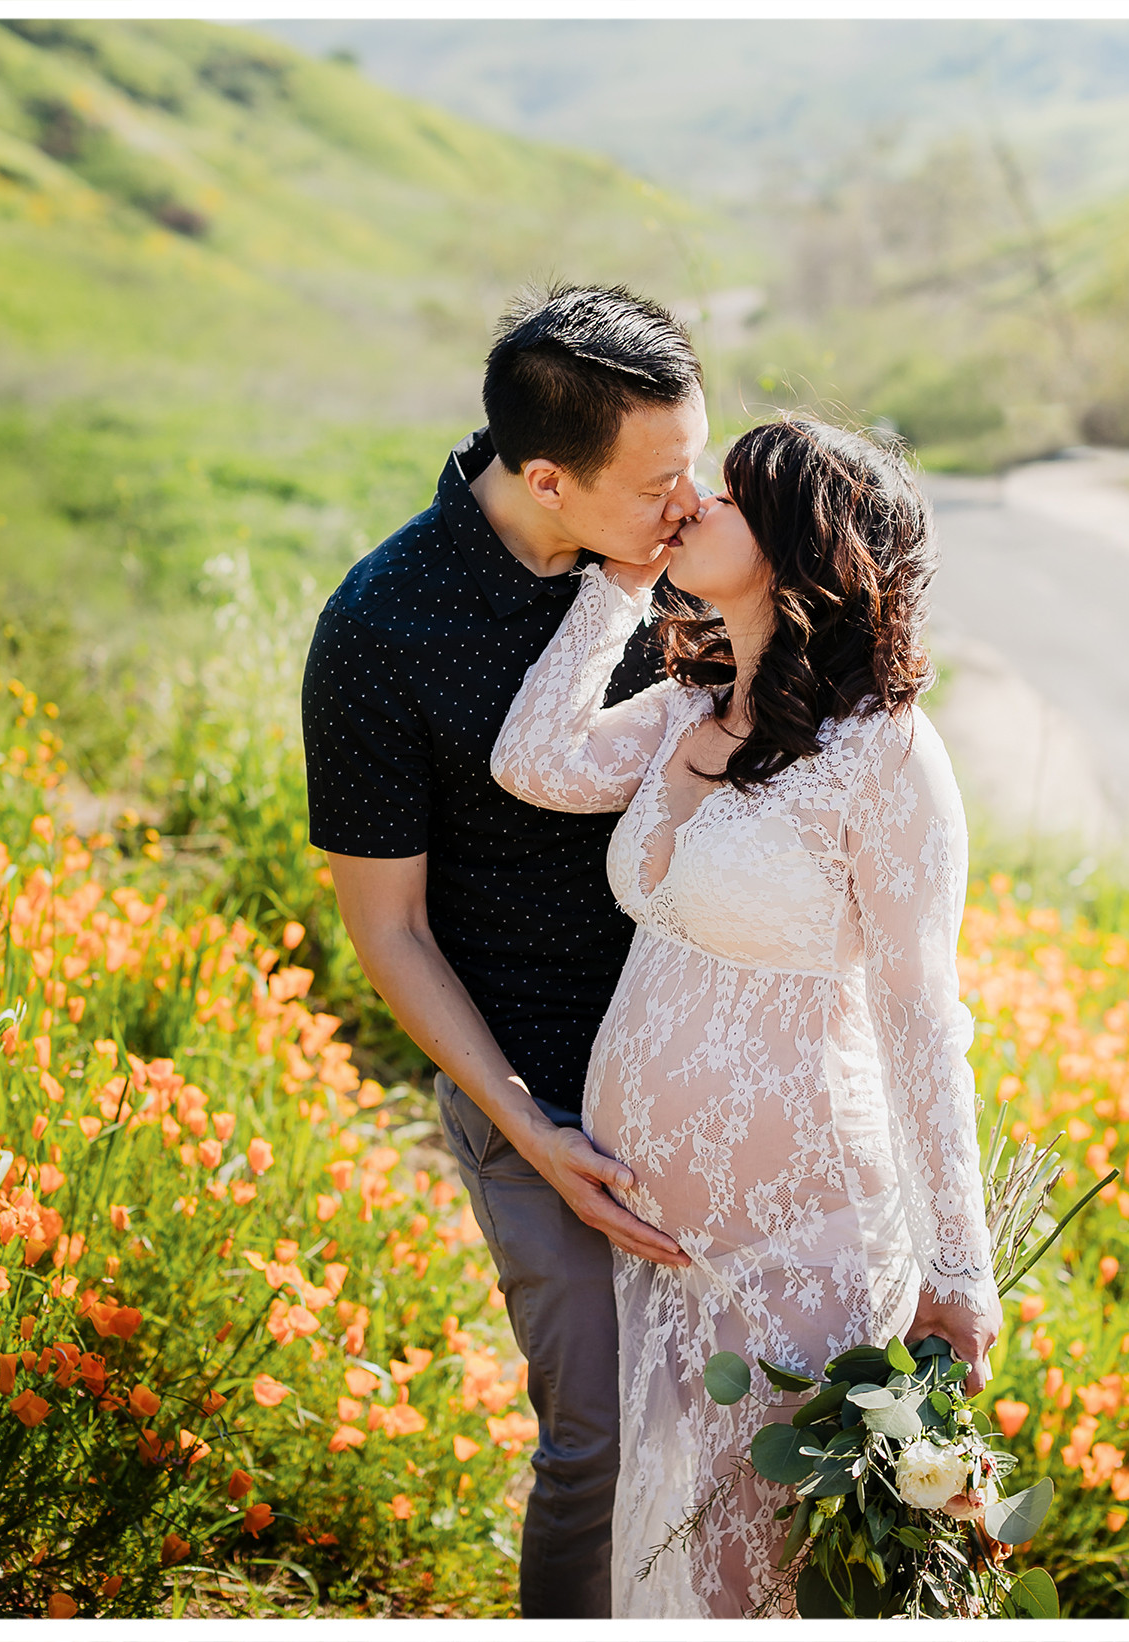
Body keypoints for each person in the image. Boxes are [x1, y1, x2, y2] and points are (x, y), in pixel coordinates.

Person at [489, 416, 1003, 1619]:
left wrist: (959, 1270)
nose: (687, 509)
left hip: (802, 1238)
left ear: (792, 542)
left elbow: (925, 1021)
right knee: (667, 1546)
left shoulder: (886, 752)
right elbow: (536, 759)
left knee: (755, 1568)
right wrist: (617, 586)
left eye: (721, 496)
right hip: (660, 1239)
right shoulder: (691, 699)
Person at [300, 283, 707, 1619]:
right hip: (532, 1081)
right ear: (546, 477)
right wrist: (531, 1130)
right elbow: (391, 932)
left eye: (695, 463)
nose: (688, 504)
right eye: (658, 483)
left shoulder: (681, 566)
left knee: (733, 1428)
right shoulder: (379, 634)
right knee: (596, 1433)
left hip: (711, 1063)